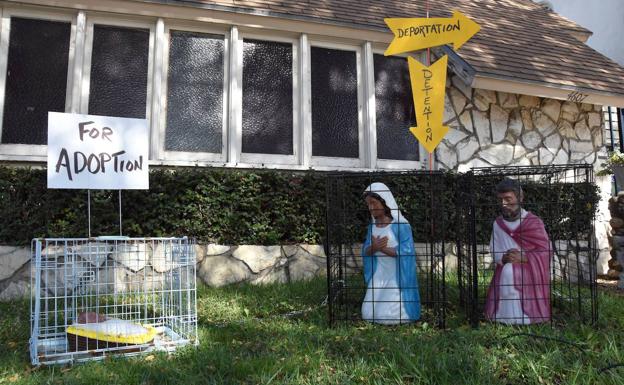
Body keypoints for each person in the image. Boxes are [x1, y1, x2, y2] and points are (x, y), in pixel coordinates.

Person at [484, 178, 551, 324]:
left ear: (520, 198)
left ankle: (527, 317)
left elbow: (545, 251)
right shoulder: (498, 224)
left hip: (528, 273)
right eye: (501, 200)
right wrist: (504, 257)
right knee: (507, 272)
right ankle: (503, 317)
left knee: (511, 273)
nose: (504, 204)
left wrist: (524, 257)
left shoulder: (534, 223)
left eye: (508, 199)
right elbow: (494, 249)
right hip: (504, 271)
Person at [361, 182, 420, 324]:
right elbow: (366, 250)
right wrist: (374, 247)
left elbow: (407, 251)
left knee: (390, 314)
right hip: (379, 273)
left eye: (374, 203)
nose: (371, 208)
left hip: (396, 275)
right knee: (368, 313)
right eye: (368, 204)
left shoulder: (401, 225)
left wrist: (383, 249)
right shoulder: (372, 227)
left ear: (385, 202)